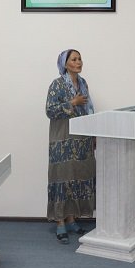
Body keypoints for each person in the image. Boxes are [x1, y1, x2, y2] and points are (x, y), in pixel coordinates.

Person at [45, 49, 96, 244]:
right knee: (62, 177)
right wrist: (72, 102)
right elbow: (50, 111)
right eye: (74, 59)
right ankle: (60, 222)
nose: (79, 62)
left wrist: (93, 134)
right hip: (63, 139)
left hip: (81, 139)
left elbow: (88, 110)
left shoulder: (83, 83)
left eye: (80, 58)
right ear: (65, 64)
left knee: (77, 176)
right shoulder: (57, 85)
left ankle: (72, 219)